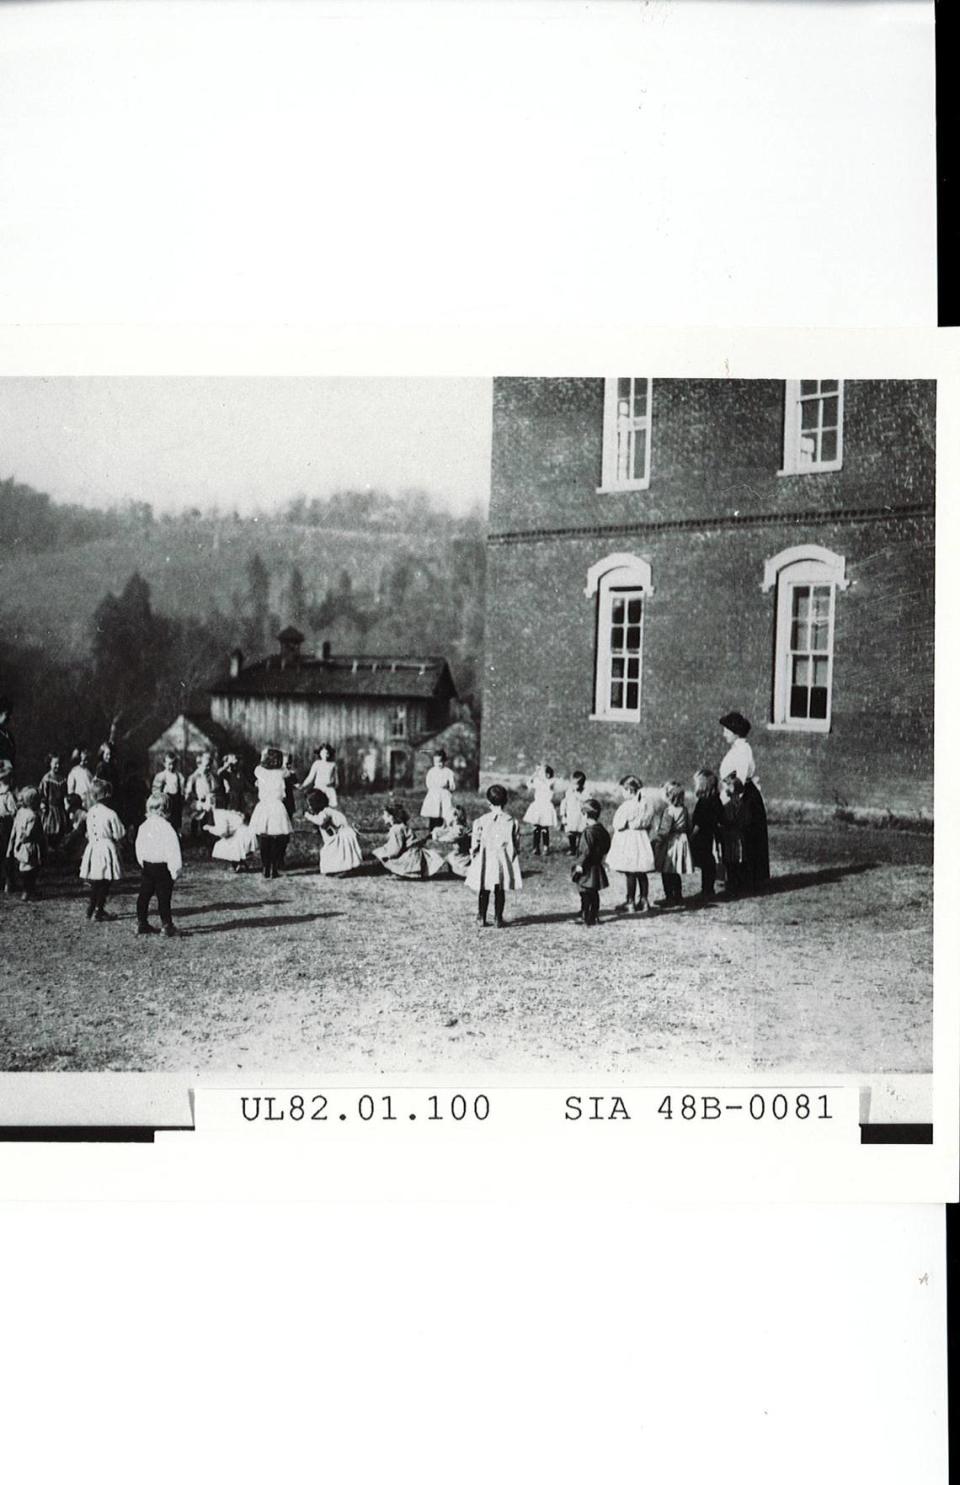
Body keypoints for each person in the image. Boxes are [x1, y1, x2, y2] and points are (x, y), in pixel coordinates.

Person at [718, 711, 770, 889]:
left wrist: (731, 800)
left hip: (742, 797)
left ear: (734, 731)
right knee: (737, 837)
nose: (724, 734)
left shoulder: (743, 750)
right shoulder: (738, 749)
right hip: (737, 794)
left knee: (742, 837)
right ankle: (738, 877)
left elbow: (738, 779)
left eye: (726, 730)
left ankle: (743, 879)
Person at [464, 783, 522, 927]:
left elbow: (475, 841)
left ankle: (481, 916)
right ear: (506, 801)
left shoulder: (481, 821)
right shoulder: (512, 822)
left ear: (488, 802)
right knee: (499, 889)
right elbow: (516, 842)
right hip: (502, 860)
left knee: (484, 887)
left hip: (486, 859)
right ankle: (498, 918)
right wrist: (513, 855)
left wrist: (474, 852)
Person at [134, 793, 183, 936]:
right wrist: (175, 870)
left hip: (148, 866)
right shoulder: (167, 828)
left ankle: (141, 922)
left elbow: (139, 846)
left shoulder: (144, 826)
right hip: (163, 867)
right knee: (163, 897)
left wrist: (142, 862)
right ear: (166, 809)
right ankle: (167, 925)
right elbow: (173, 850)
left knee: (144, 895)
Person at [607, 775, 657, 914]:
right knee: (641, 871)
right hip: (641, 839)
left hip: (629, 840)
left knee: (630, 872)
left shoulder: (627, 806)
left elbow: (618, 824)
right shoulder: (646, 804)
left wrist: (625, 825)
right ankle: (644, 900)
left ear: (629, 790)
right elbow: (650, 823)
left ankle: (630, 902)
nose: (622, 793)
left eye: (623, 790)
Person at [79, 778, 125, 921]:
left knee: (96, 881)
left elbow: (88, 832)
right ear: (107, 796)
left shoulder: (90, 812)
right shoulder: (111, 813)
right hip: (106, 849)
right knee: (105, 880)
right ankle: (99, 909)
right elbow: (119, 833)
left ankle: (92, 908)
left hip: (93, 848)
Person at [249, 746, 293, 879]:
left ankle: (265, 868)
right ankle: (273, 868)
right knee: (276, 838)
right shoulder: (282, 772)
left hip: (264, 806)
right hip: (277, 806)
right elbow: (288, 773)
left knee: (264, 838)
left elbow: (258, 768)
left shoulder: (259, 771)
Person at [373, 803, 445, 880]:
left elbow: (397, 847)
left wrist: (388, 856)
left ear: (392, 817)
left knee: (382, 853)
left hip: (410, 855)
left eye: (385, 815)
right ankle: (406, 872)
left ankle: (403, 872)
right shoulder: (402, 826)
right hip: (414, 853)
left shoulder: (396, 829)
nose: (383, 817)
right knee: (383, 851)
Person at [305, 789, 365, 876]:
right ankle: (335, 869)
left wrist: (308, 816)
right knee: (331, 851)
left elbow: (320, 821)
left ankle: (344, 869)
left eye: (310, 805)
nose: (309, 808)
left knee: (337, 852)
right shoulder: (327, 810)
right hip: (341, 833)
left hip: (343, 834)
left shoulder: (325, 812)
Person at [571, 798, 610, 927]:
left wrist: (579, 865)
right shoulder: (602, 829)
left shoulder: (588, 832)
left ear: (585, 814)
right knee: (594, 893)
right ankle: (594, 915)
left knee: (585, 892)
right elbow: (607, 845)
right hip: (597, 865)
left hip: (586, 867)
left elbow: (585, 851)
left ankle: (586, 916)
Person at [655, 780, 694, 907]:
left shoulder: (669, 811)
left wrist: (658, 841)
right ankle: (678, 896)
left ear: (669, 796)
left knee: (666, 871)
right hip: (682, 840)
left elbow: (665, 830)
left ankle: (669, 897)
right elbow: (689, 826)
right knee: (676, 871)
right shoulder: (684, 809)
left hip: (671, 842)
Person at [689, 768, 724, 899]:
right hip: (712, 834)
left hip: (701, 836)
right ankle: (708, 889)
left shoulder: (703, 802)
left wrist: (691, 836)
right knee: (709, 862)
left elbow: (698, 822)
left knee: (704, 862)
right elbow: (721, 817)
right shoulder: (716, 799)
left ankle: (706, 890)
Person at [7, 785, 44, 900]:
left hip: (19, 845)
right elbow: (29, 833)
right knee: (32, 869)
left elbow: (14, 828)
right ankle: (28, 891)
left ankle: (27, 891)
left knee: (23, 867)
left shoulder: (20, 812)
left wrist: (13, 844)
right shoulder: (33, 816)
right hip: (29, 845)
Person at [205, 807, 258, 872]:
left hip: (242, 834)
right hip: (246, 832)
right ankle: (240, 864)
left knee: (224, 845)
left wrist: (209, 829)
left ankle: (238, 865)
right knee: (230, 843)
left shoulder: (219, 813)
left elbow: (223, 832)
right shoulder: (228, 812)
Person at [522, 763, 558, 855]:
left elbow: (550, 783)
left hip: (546, 807)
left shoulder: (550, 782)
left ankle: (546, 847)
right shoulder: (538, 782)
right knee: (536, 828)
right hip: (537, 806)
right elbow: (528, 783)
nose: (539, 774)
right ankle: (536, 847)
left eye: (541, 772)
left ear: (547, 775)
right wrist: (535, 773)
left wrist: (541, 775)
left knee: (544, 828)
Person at [719, 774, 746, 894]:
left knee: (729, 860)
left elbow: (726, 820)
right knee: (737, 860)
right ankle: (739, 883)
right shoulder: (742, 803)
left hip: (729, 835)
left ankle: (731, 884)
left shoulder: (728, 806)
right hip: (739, 835)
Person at [420, 748, 457, 830]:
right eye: (436, 762)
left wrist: (448, 787)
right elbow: (428, 783)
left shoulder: (448, 772)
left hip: (444, 794)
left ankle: (442, 828)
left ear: (444, 761)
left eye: (441, 761)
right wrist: (434, 788)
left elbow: (452, 785)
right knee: (433, 812)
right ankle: (432, 829)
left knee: (444, 812)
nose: (439, 764)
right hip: (434, 794)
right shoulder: (432, 771)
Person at [431, 805, 471, 878]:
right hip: (460, 852)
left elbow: (452, 838)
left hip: (464, 855)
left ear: (455, 817)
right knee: (449, 856)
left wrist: (438, 838)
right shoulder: (456, 826)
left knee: (451, 859)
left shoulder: (459, 828)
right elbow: (446, 831)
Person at [38, 755, 68, 849]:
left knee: (61, 833)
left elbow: (65, 795)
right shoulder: (46, 779)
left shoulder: (62, 779)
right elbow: (42, 795)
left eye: (59, 764)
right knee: (50, 832)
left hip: (60, 809)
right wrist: (43, 805)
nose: (57, 766)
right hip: (50, 810)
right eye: (55, 764)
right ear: (50, 764)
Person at [153, 752, 186, 833]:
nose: (171, 766)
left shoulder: (179, 776)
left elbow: (182, 791)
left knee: (175, 823)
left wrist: (182, 798)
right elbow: (155, 792)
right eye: (169, 764)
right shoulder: (161, 776)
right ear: (164, 764)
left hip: (176, 803)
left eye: (174, 764)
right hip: (165, 803)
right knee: (165, 823)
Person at [185, 752, 217, 836]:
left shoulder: (210, 776)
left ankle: (205, 835)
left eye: (210, 765)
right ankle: (193, 835)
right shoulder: (195, 776)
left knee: (206, 818)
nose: (208, 767)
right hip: (198, 800)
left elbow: (213, 787)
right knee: (196, 817)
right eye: (206, 765)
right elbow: (189, 788)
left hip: (207, 800)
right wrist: (189, 796)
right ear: (199, 764)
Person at [119, 761, 149, 845]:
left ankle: (133, 846)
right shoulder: (126, 784)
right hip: (132, 810)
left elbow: (147, 794)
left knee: (136, 830)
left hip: (136, 810)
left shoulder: (130, 783)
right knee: (134, 830)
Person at [560, 770, 589, 855]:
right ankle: (572, 848)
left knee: (579, 832)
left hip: (579, 816)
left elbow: (587, 801)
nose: (573, 786)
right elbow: (564, 802)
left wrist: (577, 795)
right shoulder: (569, 791)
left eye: (575, 784)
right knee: (570, 832)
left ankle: (578, 847)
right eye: (572, 784)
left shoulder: (585, 792)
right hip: (571, 815)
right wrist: (563, 813)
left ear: (582, 784)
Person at [0, 759, 17, 893]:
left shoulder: (9, 794)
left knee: (7, 852)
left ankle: (8, 881)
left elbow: (13, 812)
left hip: (5, 825)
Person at [0, 695, 15, 774]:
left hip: (9, 776)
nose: (9, 717)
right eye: (7, 714)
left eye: (10, 714)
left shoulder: (9, 735)